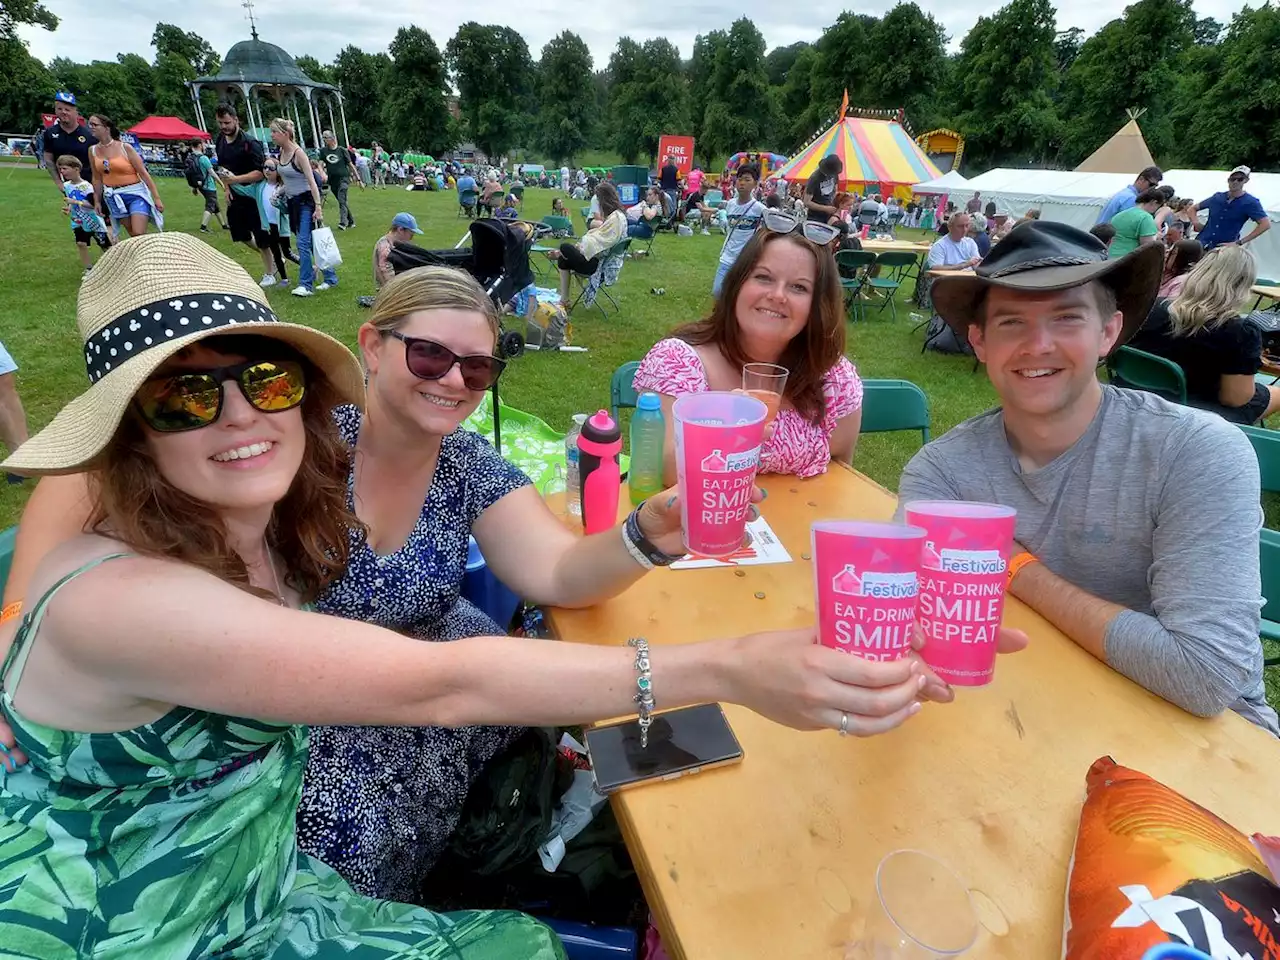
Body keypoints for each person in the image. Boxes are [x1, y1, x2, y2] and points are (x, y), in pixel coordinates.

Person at [0, 237, 962, 915]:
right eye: (186, 397)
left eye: (270, 382)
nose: (243, 417)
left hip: (293, 766)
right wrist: (733, 667)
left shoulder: (299, 478)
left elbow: (551, 573)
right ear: (371, 350)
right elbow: (434, 682)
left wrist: (650, 534)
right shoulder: (275, 473)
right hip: (169, 889)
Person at [903, 220, 1278, 734]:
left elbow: (1207, 676)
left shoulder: (1195, 450)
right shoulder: (942, 473)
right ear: (979, 341)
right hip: (1025, 710)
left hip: (1203, 745)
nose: (1038, 344)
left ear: (1108, 332)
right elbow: (906, 623)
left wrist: (1013, 566)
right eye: (1011, 322)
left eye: (1066, 319)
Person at [634, 216, 862, 481]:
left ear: (818, 307)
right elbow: (658, 471)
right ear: (737, 284)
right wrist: (725, 431)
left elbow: (843, 478)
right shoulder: (678, 362)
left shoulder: (833, 378)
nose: (778, 295)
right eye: (764, 278)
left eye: (799, 287)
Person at [1130, 246, 1280, 425]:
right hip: (1195, 415)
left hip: (1137, 397)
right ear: (1244, 285)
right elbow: (1234, 399)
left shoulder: (1151, 308)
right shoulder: (1238, 332)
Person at [270, 118, 337, 298]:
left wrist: (318, 207)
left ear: (285, 134)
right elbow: (289, 179)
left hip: (306, 202)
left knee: (302, 242)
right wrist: (279, 192)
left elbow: (311, 181)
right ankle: (330, 277)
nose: (272, 136)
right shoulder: (281, 152)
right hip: (292, 204)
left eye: (274, 132)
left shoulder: (299, 154)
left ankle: (305, 284)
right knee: (313, 241)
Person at [214, 104, 277, 286]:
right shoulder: (220, 141)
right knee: (240, 234)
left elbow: (260, 172)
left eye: (226, 122)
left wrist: (235, 180)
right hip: (235, 195)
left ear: (236, 120)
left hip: (254, 195)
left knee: (261, 234)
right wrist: (227, 188)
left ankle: (270, 272)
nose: (224, 126)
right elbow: (224, 170)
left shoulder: (250, 143)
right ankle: (272, 259)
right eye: (220, 123)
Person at [546, 183, 626, 308]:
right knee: (563, 258)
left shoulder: (615, 219)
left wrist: (581, 247)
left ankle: (560, 254)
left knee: (565, 247)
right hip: (598, 259)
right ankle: (564, 300)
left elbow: (602, 243)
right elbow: (599, 238)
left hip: (597, 265)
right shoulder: (616, 216)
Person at [87, 114, 163, 238]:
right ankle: (144, 253)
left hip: (135, 193)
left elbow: (143, 173)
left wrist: (156, 198)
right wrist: (97, 201)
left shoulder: (125, 148)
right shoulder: (93, 150)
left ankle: (150, 249)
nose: (91, 127)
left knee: (138, 231)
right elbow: (96, 178)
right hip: (114, 195)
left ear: (107, 128)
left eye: (95, 125)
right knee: (133, 234)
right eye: (90, 124)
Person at [713, 163, 767, 298]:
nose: (742, 183)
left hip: (746, 260)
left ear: (755, 184)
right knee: (718, 292)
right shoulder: (730, 204)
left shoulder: (759, 209)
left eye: (747, 180)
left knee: (740, 296)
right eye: (740, 179)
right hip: (727, 257)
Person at [56, 155, 111, 273]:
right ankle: (88, 269)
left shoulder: (87, 187)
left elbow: (93, 205)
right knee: (81, 243)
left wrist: (76, 202)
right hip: (77, 220)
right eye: (60, 169)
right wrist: (69, 208)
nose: (62, 171)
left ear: (76, 169)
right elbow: (70, 199)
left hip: (93, 221)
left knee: (105, 245)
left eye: (65, 168)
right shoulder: (66, 186)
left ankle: (114, 266)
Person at [1196, 166, 1271, 251]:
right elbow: (1192, 208)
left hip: (1223, 248)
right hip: (1202, 243)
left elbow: (1265, 224)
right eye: (1233, 179)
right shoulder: (1217, 197)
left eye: (1240, 179)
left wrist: (1239, 242)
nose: (1235, 182)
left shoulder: (1250, 202)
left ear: (1245, 180)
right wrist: (1196, 223)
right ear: (1228, 180)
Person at [41, 91, 92, 194]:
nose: (63, 112)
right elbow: (49, 160)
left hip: (90, 185)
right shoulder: (50, 133)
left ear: (75, 112)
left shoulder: (89, 134)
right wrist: (59, 182)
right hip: (69, 186)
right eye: (59, 109)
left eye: (67, 109)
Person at [260, 159, 293, 288]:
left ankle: (310, 267)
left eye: (271, 168)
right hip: (269, 226)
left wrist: (277, 202)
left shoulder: (282, 188)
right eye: (265, 167)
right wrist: (230, 183)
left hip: (281, 226)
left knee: (287, 252)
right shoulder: (260, 186)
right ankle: (284, 279)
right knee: (276, 253)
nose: (267, 170)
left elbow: (286, 210)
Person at [321, 129, 361, 230]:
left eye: (326, 137)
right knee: (341, 201)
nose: (324, 140)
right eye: (323, 138)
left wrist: (358, 179)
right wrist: (322, 173)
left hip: (344, 178)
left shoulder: (342, 150)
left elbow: (350, 164)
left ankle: (343, 222)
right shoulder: (324, 151)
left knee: (342, 198)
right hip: (332, 180)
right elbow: (320, 164)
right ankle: (351, 221)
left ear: (332, 138)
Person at [1096, 165, 1163, 224]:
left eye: (1155, 186)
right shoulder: (1131, 198)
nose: (1152, 188)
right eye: (1151, 184)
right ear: (1141, 179)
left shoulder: (1124, 193)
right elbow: (1127, 225)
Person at [1107, 189, 1163, 258]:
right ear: (1154, 202)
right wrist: (1156, 236)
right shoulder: (1146, 217)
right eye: (1158, 206)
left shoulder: (1119, 215)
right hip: (1126, 259)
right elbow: (1147, 245)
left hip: (1109, 256)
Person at [805, 155, 842, 223]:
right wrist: (825, 208)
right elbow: (807, 202)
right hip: (815, 217)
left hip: (830, 214)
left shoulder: (835, 173)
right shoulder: (815, 178)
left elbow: (835, 190)